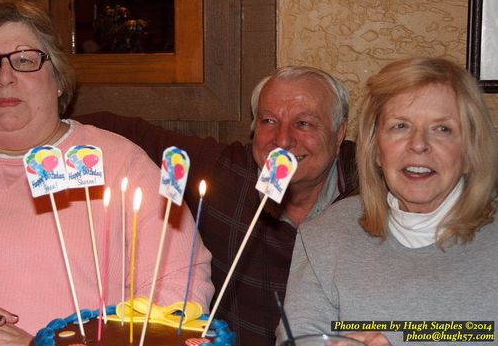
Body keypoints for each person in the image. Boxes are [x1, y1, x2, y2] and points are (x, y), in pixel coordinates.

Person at [0, 0, 213, 346]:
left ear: (59, 80)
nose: (4, 77)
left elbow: (179, 297)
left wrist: (46, 345)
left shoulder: (121, 166)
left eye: (25, 60)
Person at [75, 65, 357, 346]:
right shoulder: (224, 173)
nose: (282, 140)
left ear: (338, 133)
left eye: (304, 123)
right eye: (268, 121)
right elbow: (123, 129)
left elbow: (396, 321)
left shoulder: (370, 191)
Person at [277, 58, 498, 346]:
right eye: (400, 126)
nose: (419, 144)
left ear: (470, 149)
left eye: (442, 129)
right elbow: (299, 339)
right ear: (376, 149)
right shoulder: (322, 236)